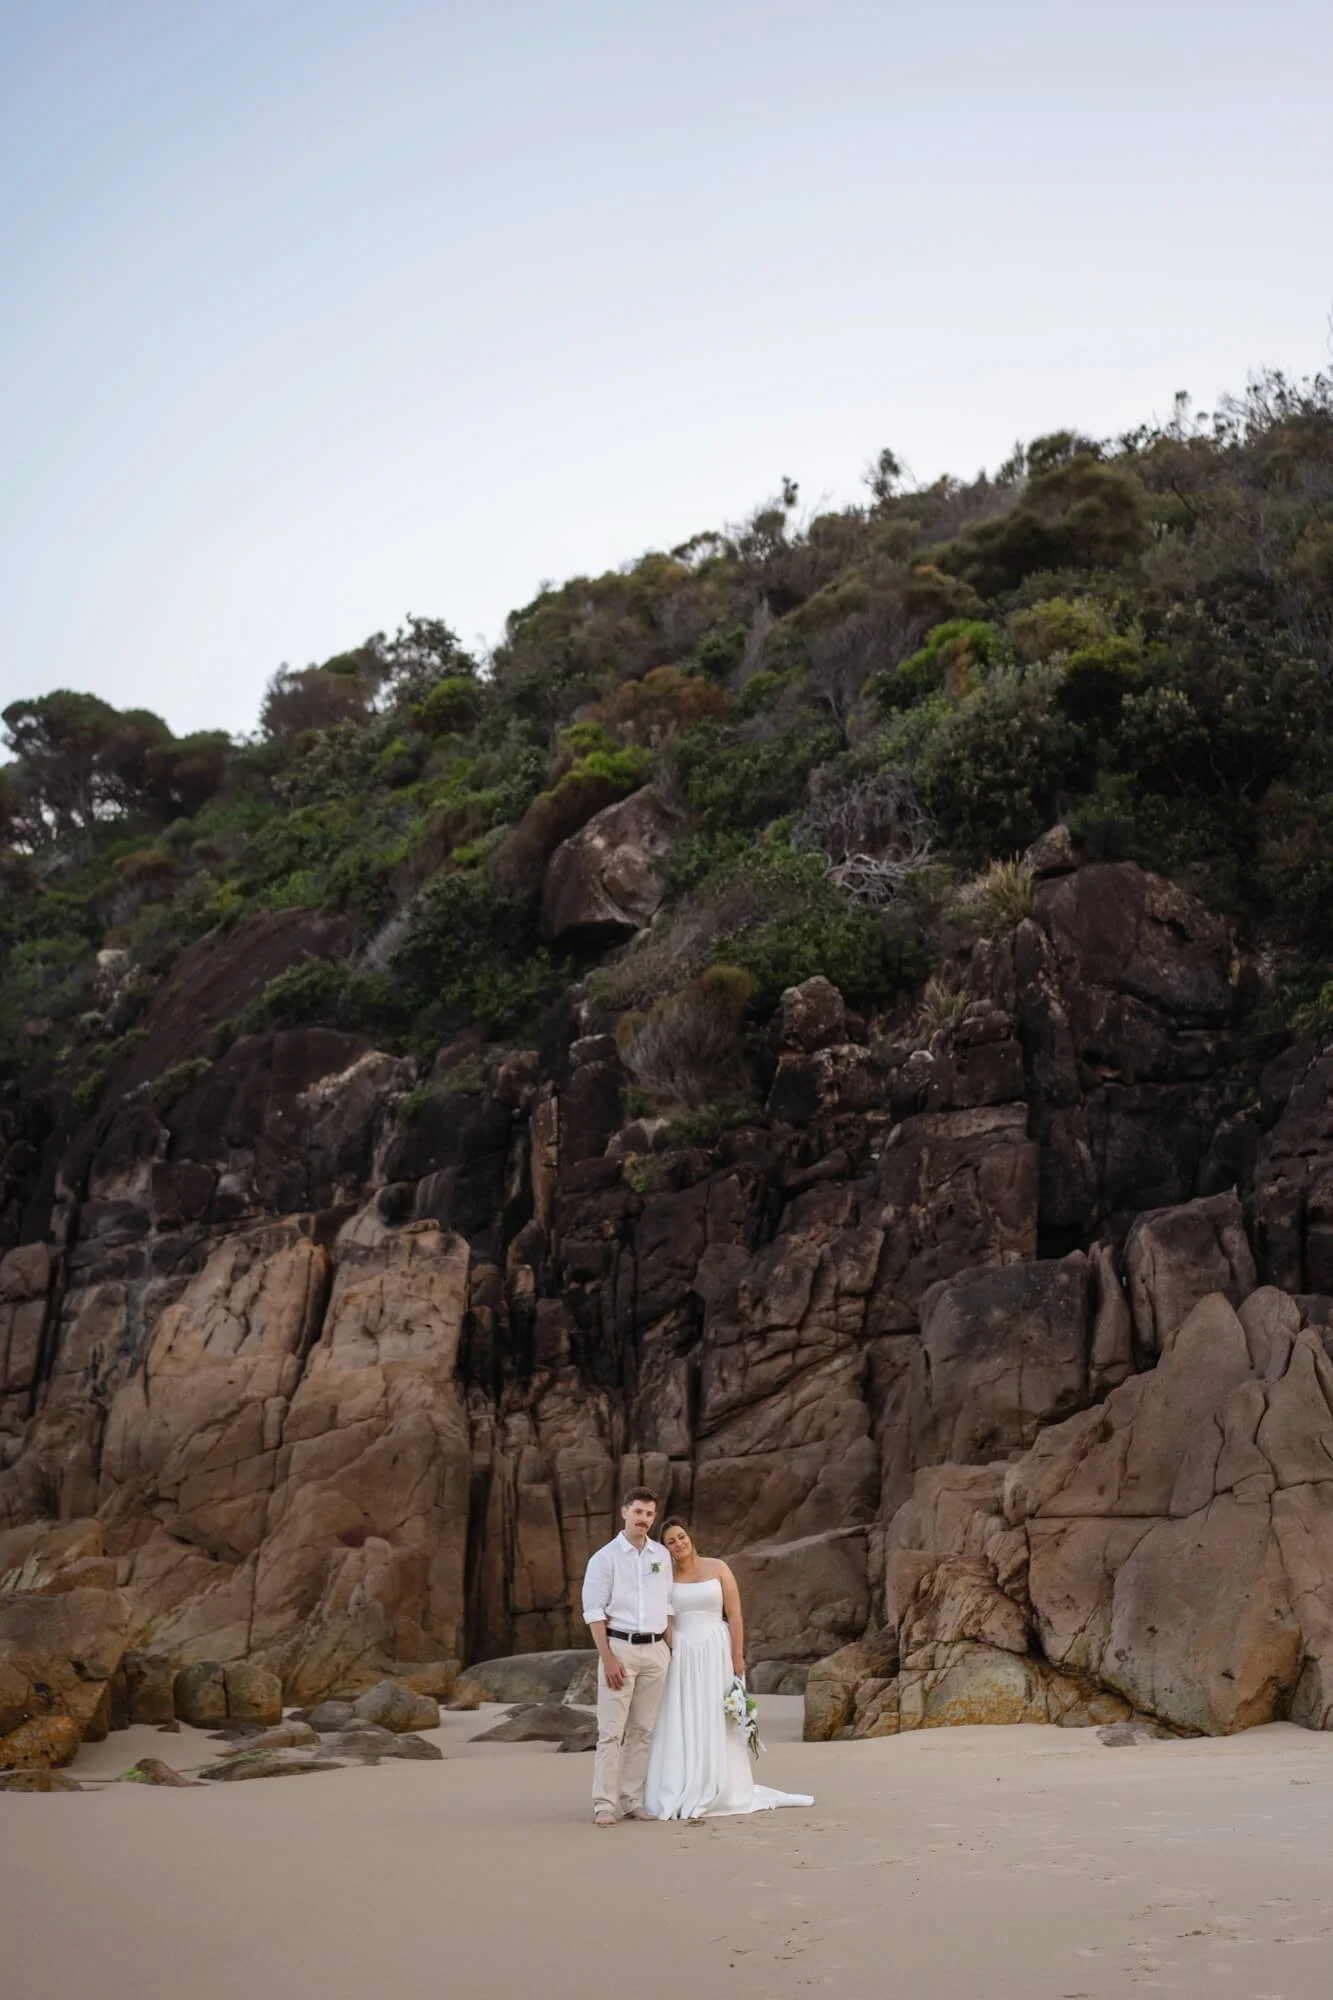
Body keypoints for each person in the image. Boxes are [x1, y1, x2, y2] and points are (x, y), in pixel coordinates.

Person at [644, 1518, 814, 1820]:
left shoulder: (718, 1567)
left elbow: (734, 1615)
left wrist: (737, 1656)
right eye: (671, 1541)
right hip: (684, 1654)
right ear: (666, 1548)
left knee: (716, 1715)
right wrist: (674, 1647)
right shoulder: (665, 1577)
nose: (679, 1544)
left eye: (681, 1537)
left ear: (690, 1536)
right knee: (685, 1716)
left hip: (716, 1650)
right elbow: (664, 1619)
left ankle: (725, 1787)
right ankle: (684, 1784)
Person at [581, 1485, 673, 1828]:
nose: (644, 1520)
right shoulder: (604, 1558)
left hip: (655, 1651)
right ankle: (604, 1804)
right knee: (611, 1731)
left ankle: (633, 1799)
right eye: (638, 1512)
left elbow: (667, 1606)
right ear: (624, 1512)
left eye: (650, 1514)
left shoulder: (661, 1556)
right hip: (619, 1648)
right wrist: (607, 1659)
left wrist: (670, 1650)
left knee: (643, 1731)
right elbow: (593, 1612)